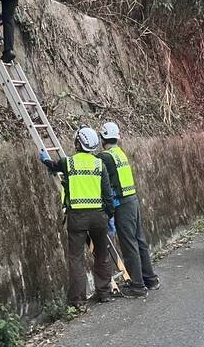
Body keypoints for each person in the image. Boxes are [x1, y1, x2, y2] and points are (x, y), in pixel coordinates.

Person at [39, 127, 115, 307]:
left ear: (78, 144)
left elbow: (53, 165)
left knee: (76, 258)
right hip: (98, 217)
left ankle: (77, 300)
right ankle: (103, 292)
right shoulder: (99, 164)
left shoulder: (69, 163)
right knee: (102, 255)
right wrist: (108, 216)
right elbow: (108, 195)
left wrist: (45, 160)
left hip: (77, 217)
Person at [97, 122, 159, 296]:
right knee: (139, 241)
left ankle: (138, 287)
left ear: (102, 138)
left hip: (122, 204)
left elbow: (98, 177)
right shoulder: (119, 153)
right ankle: (150, 279)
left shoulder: (105, 157)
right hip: (132, 200)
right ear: (118, 137)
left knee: (129, 244)